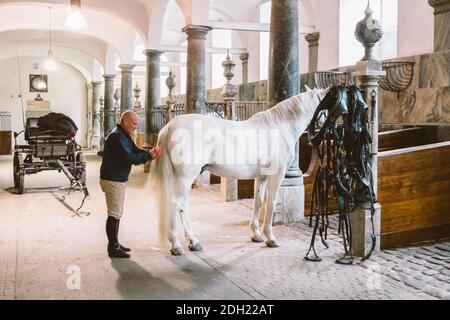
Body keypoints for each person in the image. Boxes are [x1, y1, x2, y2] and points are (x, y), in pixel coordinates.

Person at [100, 110, 162, 258]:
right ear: (125, 121)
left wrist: (149, 153)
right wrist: (149, 156)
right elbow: (130, 158)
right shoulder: (117, 136)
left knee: (117, 213)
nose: (136, 126)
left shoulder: (123, 134)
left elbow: (134, 150)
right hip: (113, 180)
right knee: (114, 214)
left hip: (116, 178)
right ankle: (113, 247)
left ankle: (115, 243)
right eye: (134, 123)